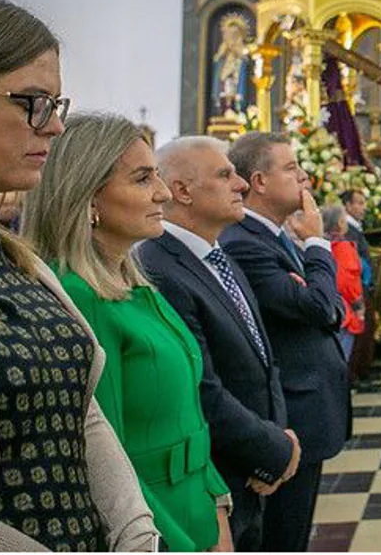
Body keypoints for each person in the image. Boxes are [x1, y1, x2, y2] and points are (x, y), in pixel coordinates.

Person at [0, 0, 158, 551]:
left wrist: (136, 535)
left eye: (57, 103)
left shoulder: (13, 256)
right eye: (33, 103)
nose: (56, 125)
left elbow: (80, 414)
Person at [23, 113, 233, 552]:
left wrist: (217, 504)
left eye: (156, 175)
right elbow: (107, 456)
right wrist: (178, 545)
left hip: (197, 507)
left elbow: (191, 412)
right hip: (159, 524)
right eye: (141, 179)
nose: (161, 192)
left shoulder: (134, 285)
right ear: (89, 195)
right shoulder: (81, 298)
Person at [139, 136, 299, 551]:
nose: (241, 185)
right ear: (183, 191)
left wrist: (276, 437)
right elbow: (201, 388)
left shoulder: (215, 255)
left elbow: (262, 357)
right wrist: (273, 449)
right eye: (224, 174)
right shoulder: (160, 267)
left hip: (255, 468)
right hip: (218, 476)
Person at [222, 133, 350, 552]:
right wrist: (316, 242)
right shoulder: (245, 243)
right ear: (258, 181)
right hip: (287, 417)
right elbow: (319, 306)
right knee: (281, 537)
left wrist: (315, 289)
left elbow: (330, 307)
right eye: (292, 168)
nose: (305, 177)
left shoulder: (271, 237)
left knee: (293, 533)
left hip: (304, 411)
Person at [340, 189, 377, 385]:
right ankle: (354, 372)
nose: (364, 208)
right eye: (359, 203)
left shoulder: (355, 228)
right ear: (347, 205)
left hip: (361, 284)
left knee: (367, 328)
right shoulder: (348, 231)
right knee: (360, 329)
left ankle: (361, 369)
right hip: (356, 286)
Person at [323, 205, 365, 362]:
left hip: (327, 304)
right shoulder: (343, 247)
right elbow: (347, 281)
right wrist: (358, 305)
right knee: (341, 359)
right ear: (341, 222)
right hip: (344, 309)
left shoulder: (320, 244)